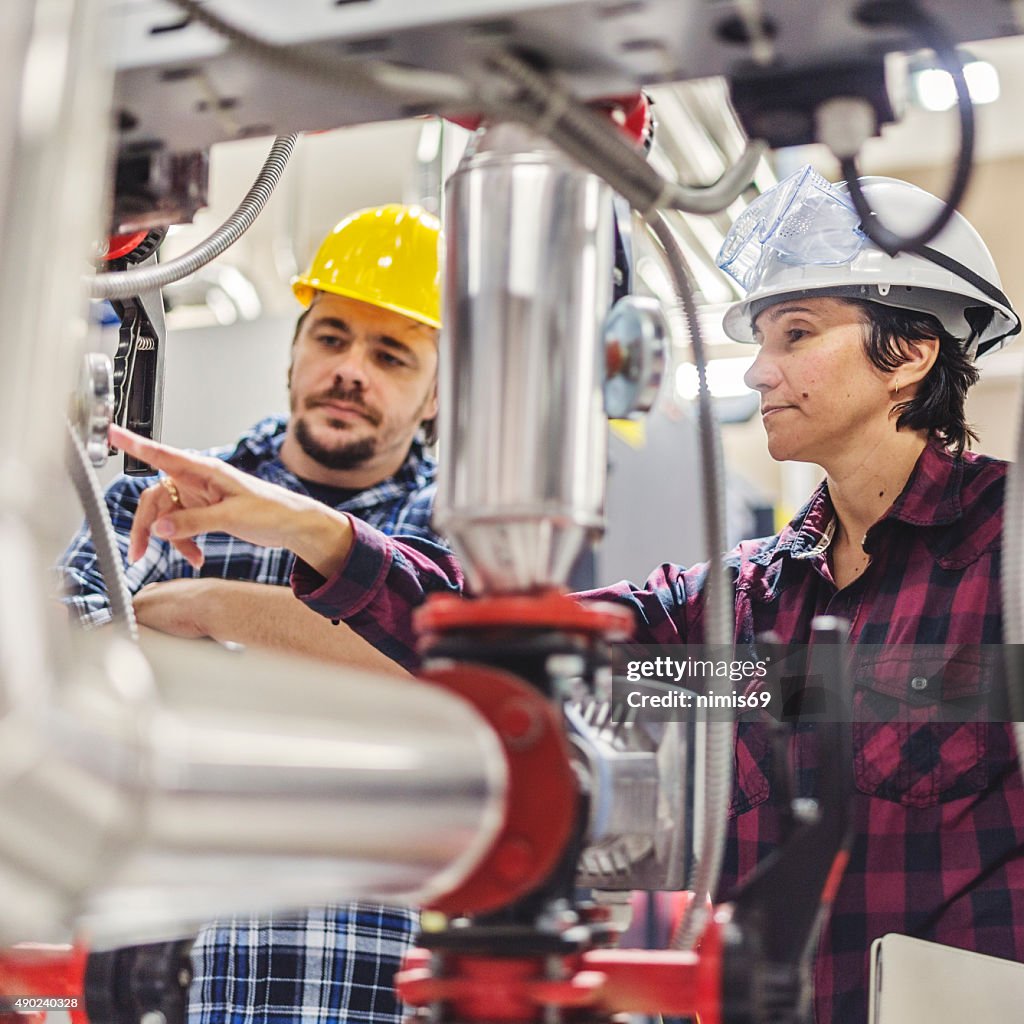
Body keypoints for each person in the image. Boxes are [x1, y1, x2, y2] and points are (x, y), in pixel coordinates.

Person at [106, 168, 1024, 1024]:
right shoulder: (754, 598)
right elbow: (532, 641)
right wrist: (308, 529)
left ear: (906, 353)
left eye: (796, 335)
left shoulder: (1008, 551)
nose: (756, 371)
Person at [60, 203, 445, 1024]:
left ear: (436, 394)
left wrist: (198, 608)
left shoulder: (455, 541)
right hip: (177, 991)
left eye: (392, 354)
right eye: (333, 337)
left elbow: (426, 669)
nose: (352, 370)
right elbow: (58, 665)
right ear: (295, 351)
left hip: (373, 991)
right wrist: (320, 663)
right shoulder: (152, 504)